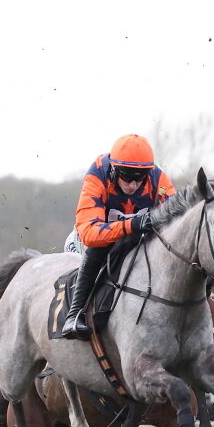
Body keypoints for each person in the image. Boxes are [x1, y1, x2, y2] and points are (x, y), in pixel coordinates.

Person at [60, 133, 176, 339]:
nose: (133, 185)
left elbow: (176, 219)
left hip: (135, 238)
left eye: (140, 178)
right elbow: (89, 233)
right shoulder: (98, 173)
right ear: (114, 169)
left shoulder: (159, 178)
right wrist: (131, 225)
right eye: (127, 176)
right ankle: (74, 315)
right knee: (98, 248)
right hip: (89, 240)